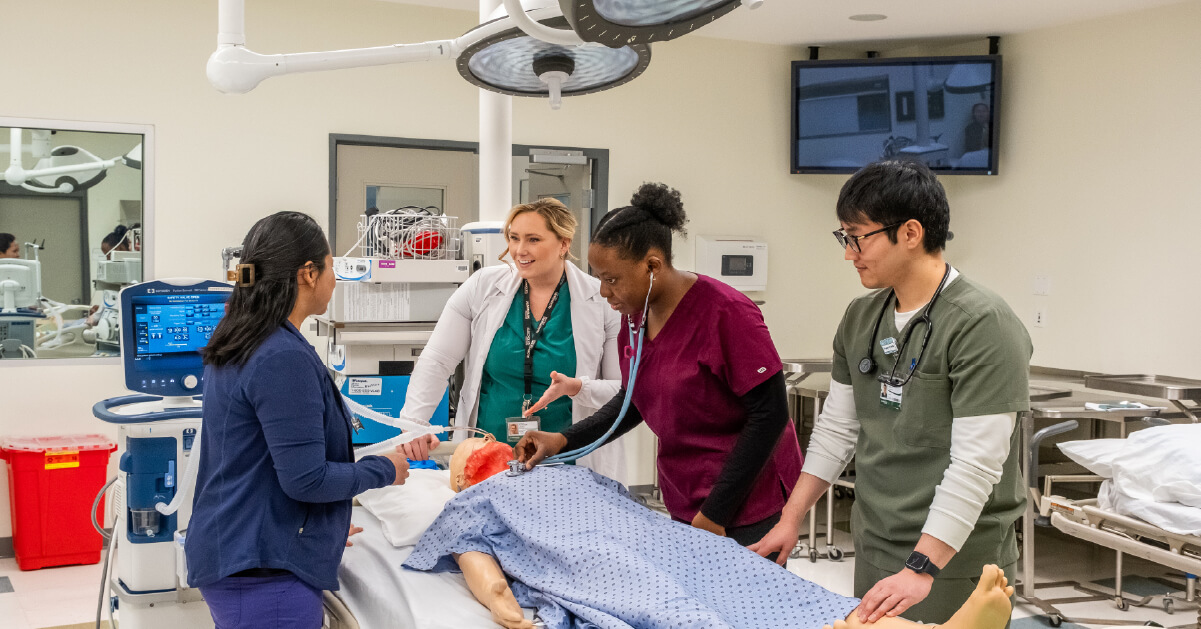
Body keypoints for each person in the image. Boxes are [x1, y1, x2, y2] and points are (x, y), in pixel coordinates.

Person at [750, 159, 1031, 625]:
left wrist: (922, 566)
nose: (849, 253)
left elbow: (977, 464)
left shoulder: (983, 324)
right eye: (845, 238)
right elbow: (837, 430)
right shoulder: (862, 317)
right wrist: (790, 518)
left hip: (956, 558)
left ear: (911, 233)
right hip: (878, 541)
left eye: (858, 237)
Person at [409, 437, 1017, 629]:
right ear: (463, 479)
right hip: (594, 556)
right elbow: (481, 574)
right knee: (674, 606)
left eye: (489, 445)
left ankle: (905, 627)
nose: (491, 454)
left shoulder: (563, 471)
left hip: (660, 537)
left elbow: (631, 507)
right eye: (476, 456)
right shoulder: (476, 504)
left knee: (760, 580)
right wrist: (509, 613)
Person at [516, 183, 803, 554]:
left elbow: (771, 414)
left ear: (652, 265)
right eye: (599, 277)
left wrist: (715, 513)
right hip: (688, 494)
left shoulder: (727, 314)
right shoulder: (636, 317)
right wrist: (564, 440)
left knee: (748, 608)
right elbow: (635, 398)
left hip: (746, 503)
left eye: (612, 278)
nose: (603, 291)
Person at [185, 211, 411, 629]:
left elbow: (260, 464)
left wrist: (320, 527)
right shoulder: (281, 356)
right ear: (308, 273)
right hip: (260, 573)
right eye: (331, 268)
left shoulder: (244, 336)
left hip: (241, 551)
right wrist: (384, 469)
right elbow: (306, 479)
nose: (335, 280)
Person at [397, 198, 628, 482]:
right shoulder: (483, 286)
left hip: (568, 459)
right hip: (487, 454)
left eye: (533, 239)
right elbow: (437, 359)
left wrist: (579, 387)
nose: (519, 250)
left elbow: (623, 391)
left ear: (563, 244)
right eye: (514, 238)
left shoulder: (603, 301)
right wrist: (414, 422)